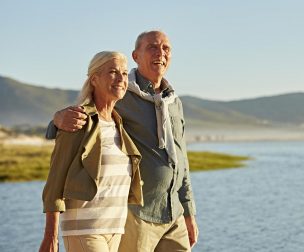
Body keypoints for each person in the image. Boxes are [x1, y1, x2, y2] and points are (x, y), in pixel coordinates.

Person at [46, 30, 198, 252]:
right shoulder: (119, 92)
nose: (161, 53)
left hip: (173, 212)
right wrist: (57, 120)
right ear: (136, 55)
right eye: (153, 47)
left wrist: (188, 210)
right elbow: (83, 118)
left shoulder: (174, 102)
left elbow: (181, 159)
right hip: (136, 215)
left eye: (166, 48)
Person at [40, 51, 143, 252]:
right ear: (94, 79)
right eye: (113, 72)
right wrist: (50, 236)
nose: (121, 78)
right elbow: (55, 181)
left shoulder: (117, 123)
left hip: (115, 230)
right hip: (85, 230)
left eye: (124, 72)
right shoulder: (78, 120)